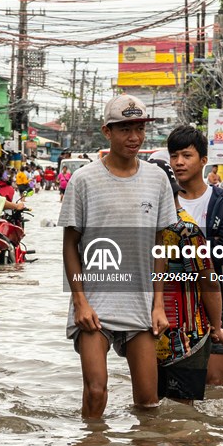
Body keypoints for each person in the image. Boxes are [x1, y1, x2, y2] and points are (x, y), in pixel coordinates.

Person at [59, 95, 177, 419]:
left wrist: (158, 304)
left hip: (140, 304)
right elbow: (71, 244)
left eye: (139, 128)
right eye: (125, 129)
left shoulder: (157, 180)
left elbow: (161, 244)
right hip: (95, 303)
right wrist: (80, 302)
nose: (134, 137)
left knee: (148, 403)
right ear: (107, 132)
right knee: (96, 392)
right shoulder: (83, 180)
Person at [149, 158, 223, 404]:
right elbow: (208, 282)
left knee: (151, 410)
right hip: (186, 337)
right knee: (182, 416)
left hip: (157, 335)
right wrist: (217, 327)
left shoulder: (154, 229)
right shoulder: (186, 228)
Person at [166, 125, 223, 388]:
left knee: (213, 383)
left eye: (186, 155)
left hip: (214, 298)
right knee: (170, 383)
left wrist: (183, 246)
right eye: (174, 156)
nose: (179, 162)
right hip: (170, 301)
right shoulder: (162, 200)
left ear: (203, 160)